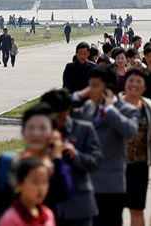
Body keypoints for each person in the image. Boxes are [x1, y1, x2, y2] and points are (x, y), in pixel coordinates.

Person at [0, 104, 72, 226]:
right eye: (31, 127)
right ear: (23, 134)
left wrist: (57, 159)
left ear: (53, 133)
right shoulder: (7, 164)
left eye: (42, 128)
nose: (36, 133)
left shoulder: (56, 167)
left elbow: (63, 194)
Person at [72, 66, 138, 226]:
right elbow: (59, 112)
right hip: (86, 185)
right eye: (89, 85)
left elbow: (130, 131)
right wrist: (77, 96)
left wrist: (109, 110)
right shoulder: (87, 107)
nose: (90, 90)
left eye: (95, 86)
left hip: (111, 186)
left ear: (108, 88)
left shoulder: (126, 110)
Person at [41, 89, 103, 226]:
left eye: (59, 116)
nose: (54, 121)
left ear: (68, 110)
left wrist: (76, 155)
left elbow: (96, 162)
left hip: (79, 206)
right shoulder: (39, 134)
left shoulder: (84, 129)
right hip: (47, 204)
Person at [119, 67, 151, 226]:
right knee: (116, 209)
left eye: (138, 81)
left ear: (145, 86)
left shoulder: (148, 106)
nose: (134, 84)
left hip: (140, 165)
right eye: (131, 80)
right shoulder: (115, 104)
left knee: (137, 209)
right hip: (117, 165)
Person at [0, 156, 57, 226]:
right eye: (35, 182)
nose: (41, 188)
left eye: (44, 182)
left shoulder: (48, 214)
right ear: (19, 184)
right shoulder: (10, 219)